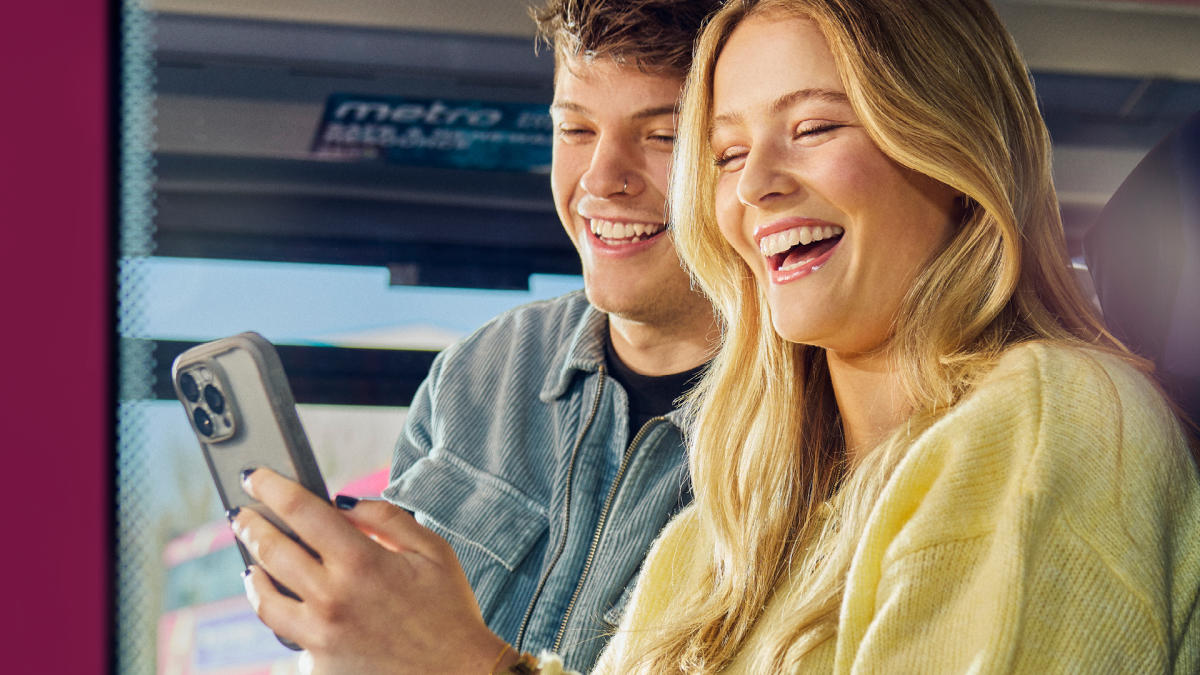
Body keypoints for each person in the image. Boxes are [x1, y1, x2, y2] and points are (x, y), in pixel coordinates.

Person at [588, 0, 1200, 671]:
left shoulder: (1055, 418)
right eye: (728, 154)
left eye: (814, 127)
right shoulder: (721, 533)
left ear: (956, 151)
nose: (755, 186)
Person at [228, 1, 721, 673]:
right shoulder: (480, 368)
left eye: (663, 137)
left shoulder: (814, 431)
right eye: (574, 129)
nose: (602, 179)